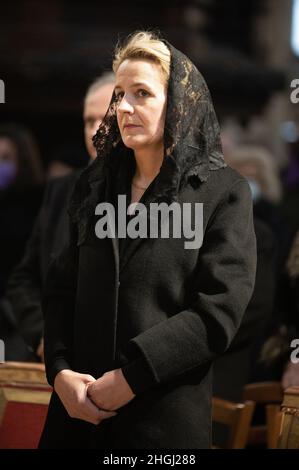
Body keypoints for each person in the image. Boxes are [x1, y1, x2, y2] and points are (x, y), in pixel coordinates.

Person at [39, 31, 256, 449]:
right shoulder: (93, 186)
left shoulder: (222, 193)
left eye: (142, 93)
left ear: (177, 104)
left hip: (161, 421)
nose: (124, 107)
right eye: (119, 94)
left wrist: (131, 377)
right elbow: (61, 289)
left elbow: (218, 312)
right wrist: (60, 372)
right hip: (76, 417)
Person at [4, 74, 114, 361]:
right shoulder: (61, 190)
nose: (96, 130)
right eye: (89, 121)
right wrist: (42, 337)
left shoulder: (154, 194)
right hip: (54, 360)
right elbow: (23, 277)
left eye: (106, 119)